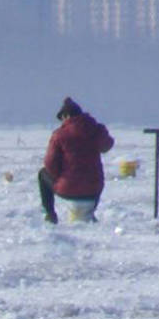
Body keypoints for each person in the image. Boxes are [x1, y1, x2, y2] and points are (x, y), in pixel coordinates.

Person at [40, 95, 114, 224]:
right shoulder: (95, 129)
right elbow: (107, 145)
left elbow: (50, 163)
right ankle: (89, 213)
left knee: (42, 174)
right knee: (95, 181)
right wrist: (100, 131)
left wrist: (60, 178)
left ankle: (50, 215)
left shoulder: (59, 135)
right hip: (93, 189)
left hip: (68, 189)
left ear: (67, 116)